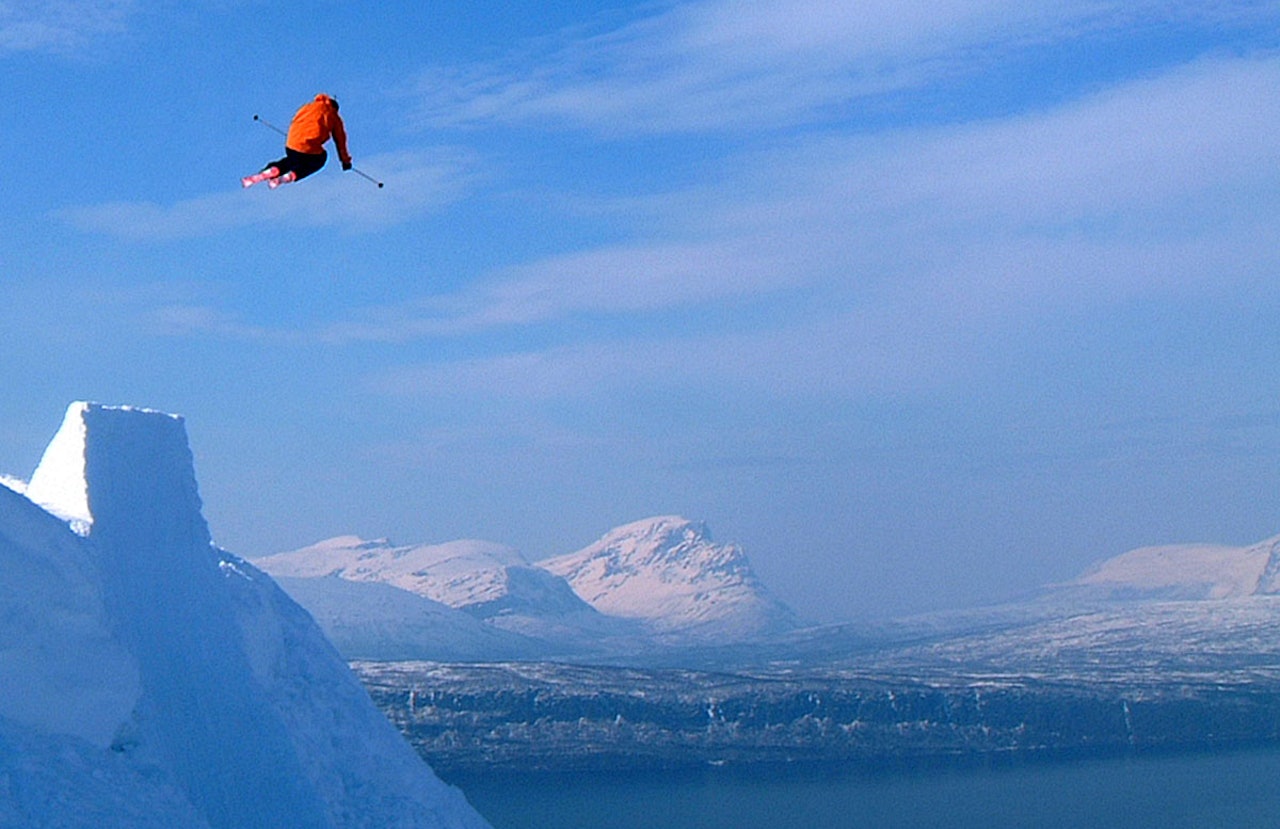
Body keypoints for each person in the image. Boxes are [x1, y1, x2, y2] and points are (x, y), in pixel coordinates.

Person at [243, 94, 352, 189]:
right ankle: (293, 175)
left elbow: (295, 120)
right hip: (309, 149)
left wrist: (295, 137)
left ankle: (272, 170)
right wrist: (345, 162)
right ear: (335, 108)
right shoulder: (334, 116)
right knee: (321, 158)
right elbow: (341, 142)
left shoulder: (307, 107)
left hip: (292, 144)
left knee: (292, 160)